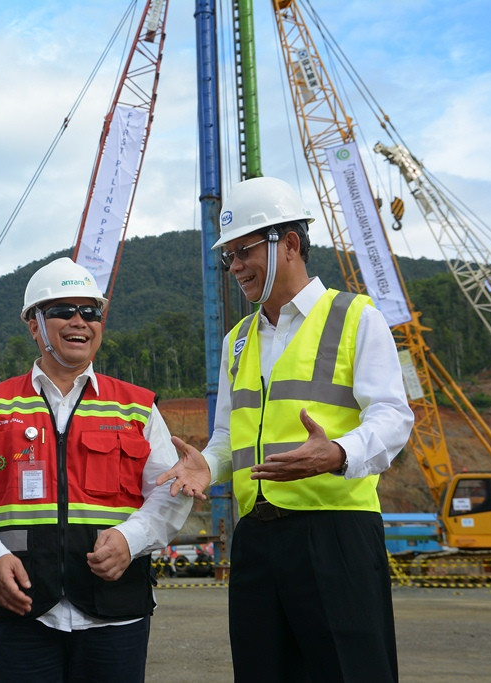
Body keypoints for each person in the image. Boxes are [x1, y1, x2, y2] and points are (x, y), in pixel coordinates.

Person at [157, 176, 414, 682]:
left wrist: (338, 452)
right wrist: (209, 464)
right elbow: (229, 437)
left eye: (243, 251)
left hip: (335, 533)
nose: (235, 267)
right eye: (228, 257)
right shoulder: (237, 340)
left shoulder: (356, 318)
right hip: (256, 539)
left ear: (290, 243)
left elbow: (393, 415)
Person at [0, 257, 192, 682]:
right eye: (63, 310)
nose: (80, 321)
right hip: (21, 611)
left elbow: (169, 493)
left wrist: (130, 540)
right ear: (34, 324)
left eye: (90, 312)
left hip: (114, 612)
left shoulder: (137, 406)